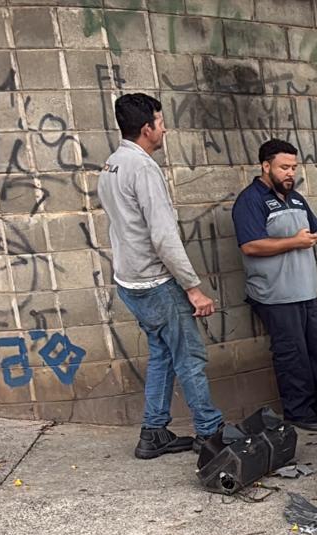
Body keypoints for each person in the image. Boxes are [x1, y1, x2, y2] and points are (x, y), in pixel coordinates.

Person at [97, 93, 225, 460]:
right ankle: (209, 431)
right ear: (146, 129)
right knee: (190, 357)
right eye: (160, 121)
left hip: (129, 281)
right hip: (155, 282)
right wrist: (193, 288)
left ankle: (153, 432)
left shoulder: (111, 165)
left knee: (162, 355)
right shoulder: (143, 169)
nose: (164, 127)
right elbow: (164, 237)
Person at [232, 139, 317, 432]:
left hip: (304, 291)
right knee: (291, 355)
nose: (289, 173)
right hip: (274, 295)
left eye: (293, 167)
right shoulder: (251, 200)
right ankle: (298, 412)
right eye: (284, 167)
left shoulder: (295, 198)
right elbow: (250, 246)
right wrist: (294, 242)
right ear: (265, 166)